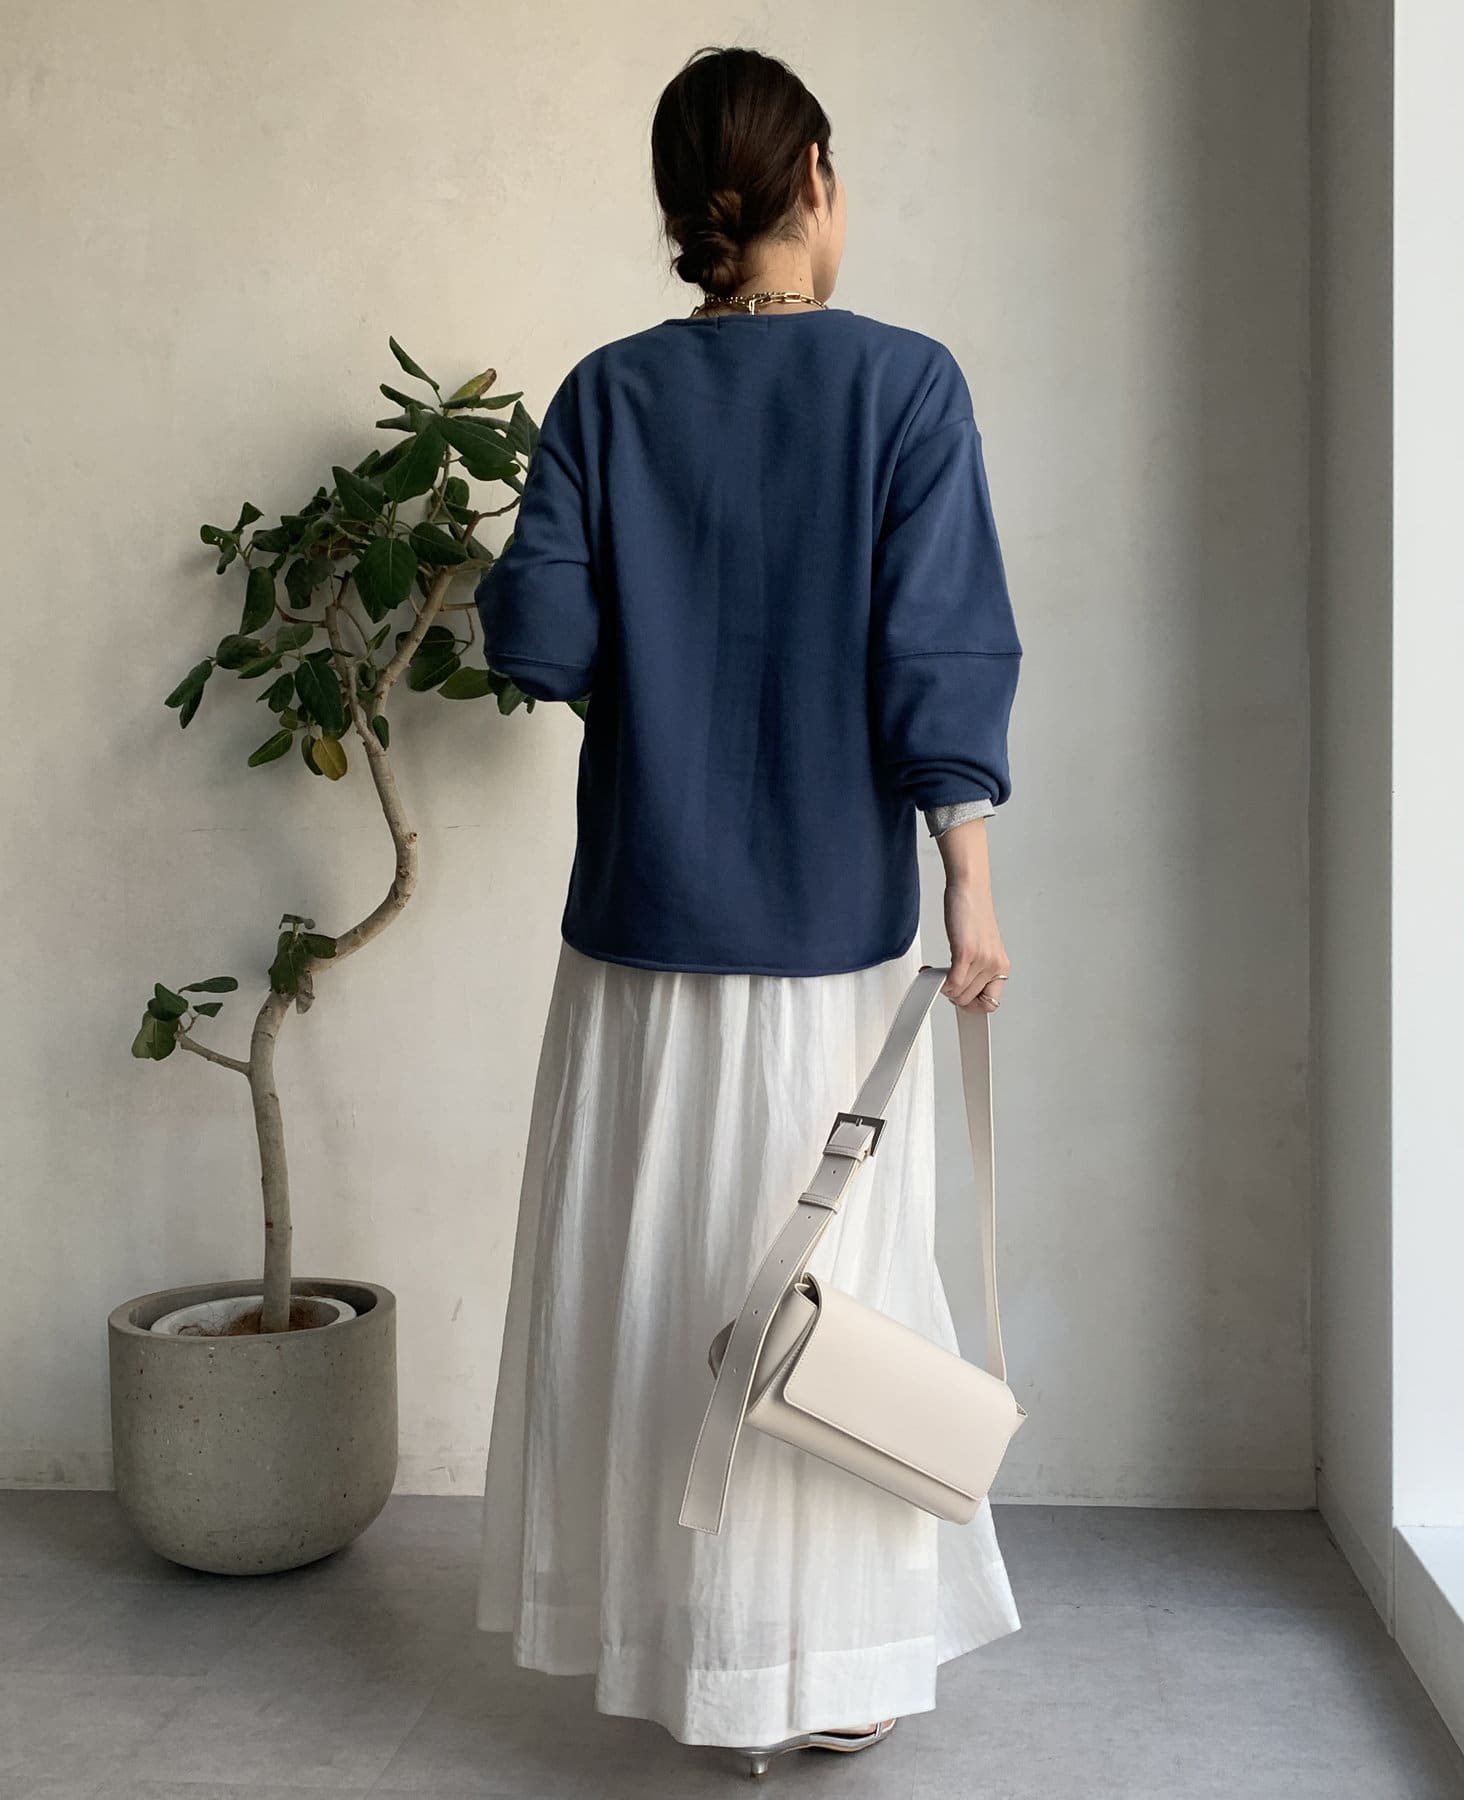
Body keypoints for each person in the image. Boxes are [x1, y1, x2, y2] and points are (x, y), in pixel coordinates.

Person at [473, 42, 1023, 1775]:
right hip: (833, 944)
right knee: (829, 1301)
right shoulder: (907, 385)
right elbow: (942, 655)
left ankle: (679, 1651)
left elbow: (536, 643)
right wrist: (972, 890)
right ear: (818, 184)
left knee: (661, 1286)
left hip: (643, 932)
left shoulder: (606, 395)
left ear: (685, 211)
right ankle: (830, 1663)